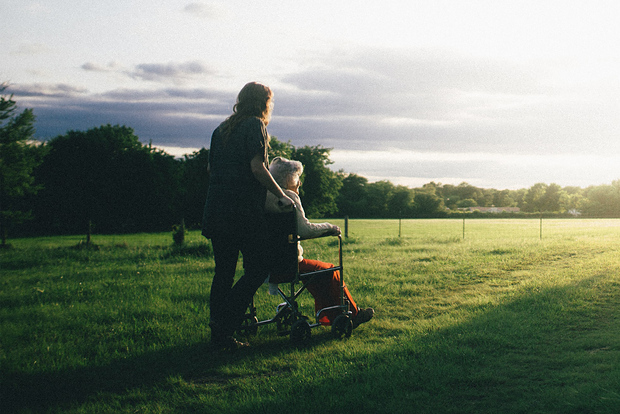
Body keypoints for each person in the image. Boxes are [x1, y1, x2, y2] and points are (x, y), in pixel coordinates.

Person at [202, 82, 294, 350]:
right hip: (241, 212)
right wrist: (281, 195)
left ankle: (219, 334)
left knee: (224, 273)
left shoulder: (220, 130)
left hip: (216, 209)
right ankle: (225, 322)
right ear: (264, 102)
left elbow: (211, 169)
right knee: (258, 268)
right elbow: (258, 168)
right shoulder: (255, 126)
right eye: (270, 101)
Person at [265, 156, 374, 328]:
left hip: (265, 264)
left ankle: (330, 317)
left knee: (317, 272)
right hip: (288, 264)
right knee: (330, 270)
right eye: (297, 178)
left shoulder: (265, 197)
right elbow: (305, 230)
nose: (299, 183)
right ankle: (352, 314)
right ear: (288, 178)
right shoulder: (289, 197)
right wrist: (330, 227)